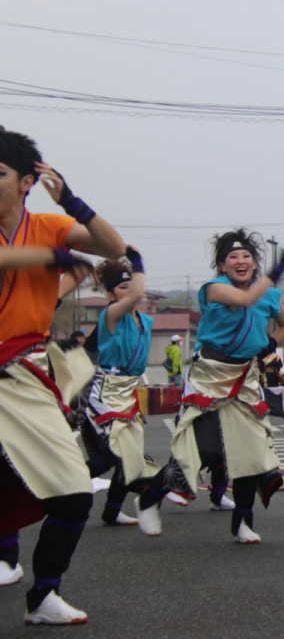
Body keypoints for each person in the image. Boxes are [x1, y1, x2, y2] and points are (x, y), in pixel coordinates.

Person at [0, 129, 126, 626]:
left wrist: (72, 202)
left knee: (73, 494)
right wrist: (53, 258)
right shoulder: (45, 244)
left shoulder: (50, 225)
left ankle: (44, 595)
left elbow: (112, 246)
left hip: (25, 377)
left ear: (26, 182)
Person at [136, 230, 284, 544]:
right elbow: (245, 299)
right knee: (203, 449)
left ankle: (243, 523)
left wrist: (269, 345)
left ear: (254, 263)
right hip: (211, 374)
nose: (240, 261)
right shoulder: (214, 289)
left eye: (246, 256)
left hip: (245, 377)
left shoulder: (270, 295)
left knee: (250, 454)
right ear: (223, 265)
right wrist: (275, 272)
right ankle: (149, 498)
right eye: (233, 257)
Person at [78, 252, 157, 529]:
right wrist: (138, 264)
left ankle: (111, 512)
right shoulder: (111, 314)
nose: (130, 290)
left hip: (129, 389)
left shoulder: (146, 321)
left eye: (130, 284)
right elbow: (136, 295)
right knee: (115, 452)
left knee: (131, 455)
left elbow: (89, 347)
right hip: (108, 389)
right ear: (111, 295)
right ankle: (67, 483)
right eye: (123, 287)